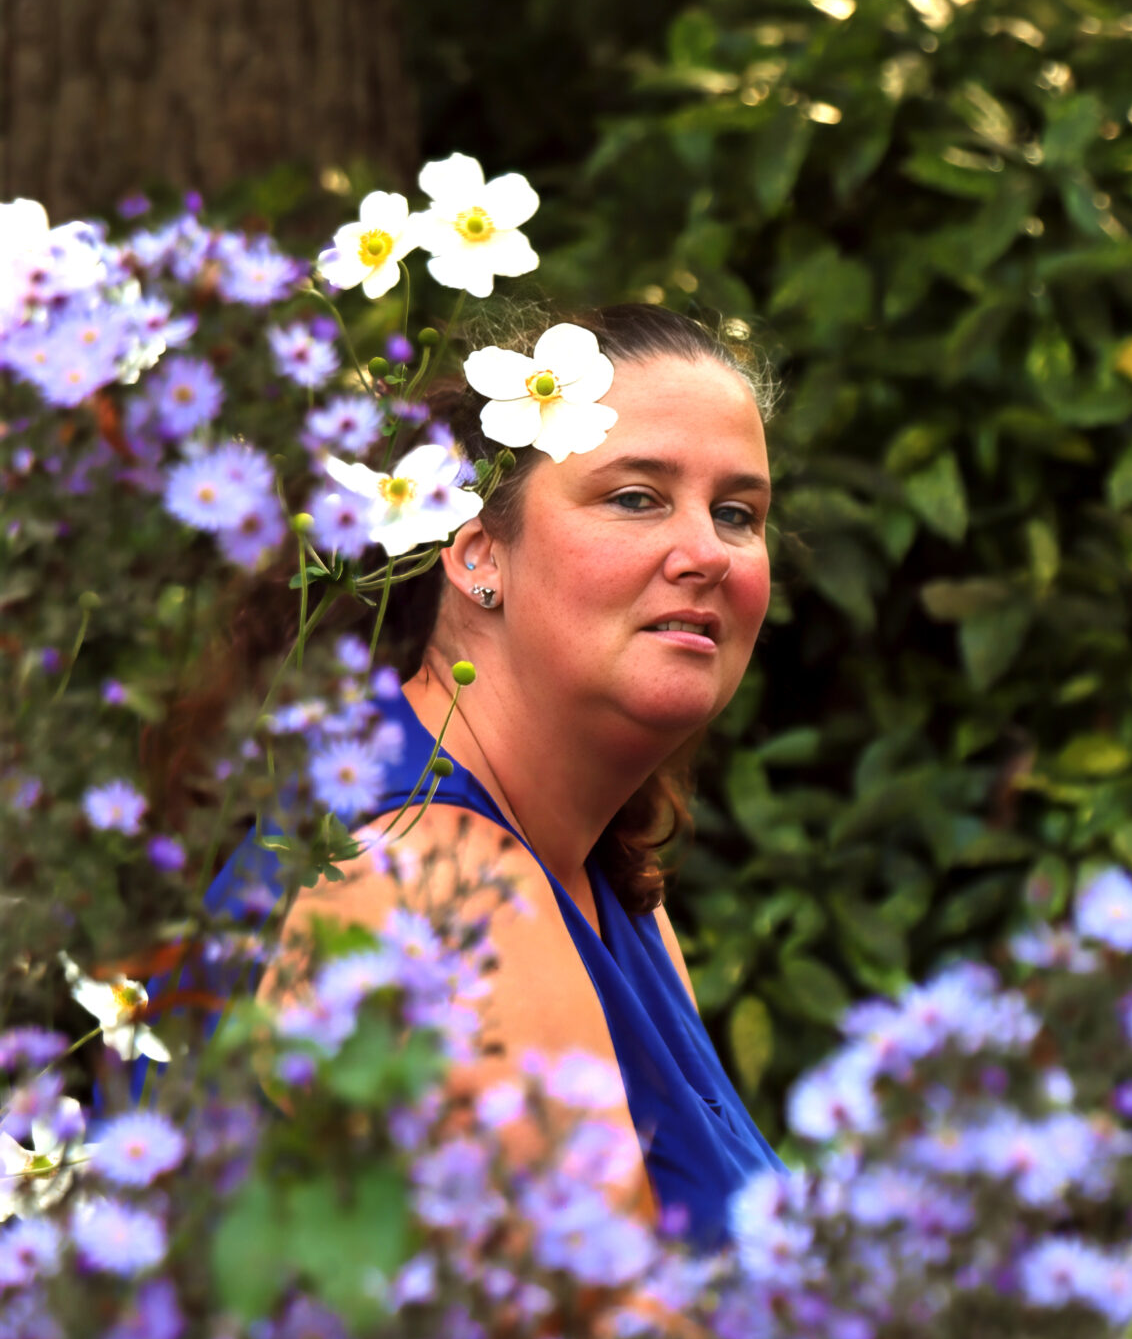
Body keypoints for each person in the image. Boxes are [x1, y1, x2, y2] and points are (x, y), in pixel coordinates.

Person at [232, 304, 782, 1247]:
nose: (706, 554)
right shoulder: (426, 885)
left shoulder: (613, 893)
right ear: (477, 551)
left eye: (737, 514)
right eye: (636, 497)